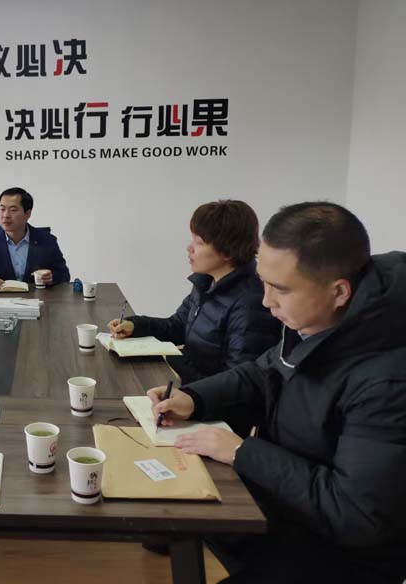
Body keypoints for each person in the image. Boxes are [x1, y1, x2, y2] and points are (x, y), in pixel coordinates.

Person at [148, 202, 406, 583]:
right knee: (167, 514)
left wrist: (242, 452)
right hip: (281, 510)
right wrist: (194, 398)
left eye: (280, 290)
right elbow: (261, 371)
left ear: (338, 291)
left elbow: (355, 514)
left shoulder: (387, 380)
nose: (266, 301)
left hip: (337, 554)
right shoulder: (313, 320)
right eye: (264, 282)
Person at [109, 200, 279, 389]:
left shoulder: (251, 303)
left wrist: (177, 368)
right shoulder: (207, 282)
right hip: (190, 387)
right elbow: (177, 327)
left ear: (227, 251)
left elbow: (238, 383)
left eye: (199, 242)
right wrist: (135, 325)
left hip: (207, 399)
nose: (189, 248)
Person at [0, 187, 70, 289]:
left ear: (27, 213)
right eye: (2, 209)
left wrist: (51, 277)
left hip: (36, 298)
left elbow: (64, 274)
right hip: (0, 298)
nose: (6, 215)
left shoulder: (47, 240)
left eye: (13, 210)